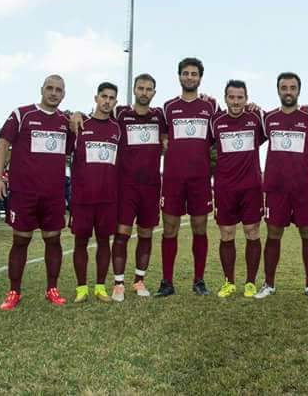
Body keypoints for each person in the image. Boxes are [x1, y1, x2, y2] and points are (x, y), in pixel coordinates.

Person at [0, 75, 75, 310]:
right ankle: (14, 291)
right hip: (24, 192)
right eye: (50, 88)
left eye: (58, 90)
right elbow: (2, 145)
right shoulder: (22, 114)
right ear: (42, 89)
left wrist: (76, 116)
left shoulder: (64, 122)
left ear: (63, 94)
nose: (53, 93)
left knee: (53, 239)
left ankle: (52, 289)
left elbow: (72, 151)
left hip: (53, 194)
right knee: (21, 240)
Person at [254, 72, 308, 300]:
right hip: (276, 189)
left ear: (299, 91)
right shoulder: (268, 119)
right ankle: (269, 284)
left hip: (303, 189)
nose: (288, 92)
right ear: (278, 90)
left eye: (292, 88)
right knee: (273, 235)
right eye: (284, 88)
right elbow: (249, 130)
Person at [156, 57, 217, 297]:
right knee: (169, 229)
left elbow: (222, 131)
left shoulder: (210, 107)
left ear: (200, 78)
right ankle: (167, 282)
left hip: (200, 178)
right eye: (186, 73)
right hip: (172, 178)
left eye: (194, 74)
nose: (190, 77)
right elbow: (161, 138)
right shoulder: (168, 107)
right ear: (179, 76)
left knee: (199, 228)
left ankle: (199, 281)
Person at [110, 74, 167, 301]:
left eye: (149, 89)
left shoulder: (159, 116)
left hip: (151, 186)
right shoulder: (121, 113)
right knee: (122, 234)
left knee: (146, 234)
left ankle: (139, 281)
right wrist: (74, 114)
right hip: (126, 186)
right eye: (140, 88)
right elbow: (96, 115)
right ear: (134, 89)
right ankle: (119, 283)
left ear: (154, 92)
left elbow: (167, 137)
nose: (144, 92)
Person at [210, 80, 266, 298]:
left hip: (251, 187)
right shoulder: (216, 122)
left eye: (240, 97)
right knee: (227, 234)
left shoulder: (256, 119)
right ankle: (229, 282)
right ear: (225, 98)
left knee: (252, 233)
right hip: (225, 188)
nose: (235, 101)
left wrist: (259, 109)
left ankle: (250, 282)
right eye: (231, 97)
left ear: (246, 98)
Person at [69, 82, 121, 303]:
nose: (107, 101)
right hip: (82, 198)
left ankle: (100, 287)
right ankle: (81, 288)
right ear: (96, 98)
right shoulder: (79, 126)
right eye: (104, 96)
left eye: (111, 98)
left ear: (116, 102)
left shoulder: (117, 129)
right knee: (80, 242)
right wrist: (75, 114)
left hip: (108, 198)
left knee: (103, 242)